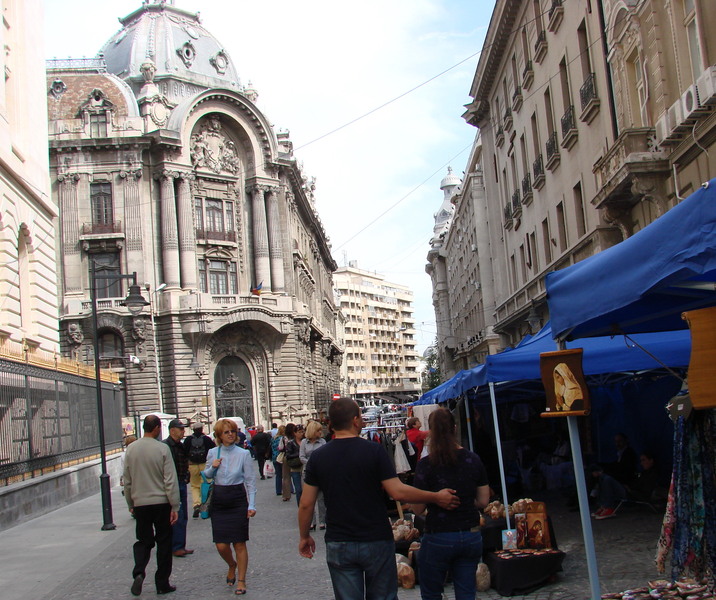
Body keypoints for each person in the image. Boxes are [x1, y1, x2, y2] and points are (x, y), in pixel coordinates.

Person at [298, 397, 460, 600]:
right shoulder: (373, 451)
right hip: (376, 538)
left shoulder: (318, 457)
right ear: (355, 420)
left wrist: (304, 536)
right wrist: (435, 496)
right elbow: (397, 492)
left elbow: (306, 504)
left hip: (339, 540)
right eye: (361, 417)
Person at [410, 407, 490, 600]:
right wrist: (465, 499)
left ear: (431, 431)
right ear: (454, 428)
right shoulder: (473, 459)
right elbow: (483, 500)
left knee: (432, 593)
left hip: (439, 534)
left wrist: (434, 498)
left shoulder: (425, 465)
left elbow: (417, 508)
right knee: (466, 593)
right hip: (470, 533)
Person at [123, 414, 180, 596]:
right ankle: (162, 583)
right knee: (164, 542)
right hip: (161, 502)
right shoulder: (162, 448)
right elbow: (170, 479)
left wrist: (130, 502)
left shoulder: (131, 449)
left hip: (141, 503)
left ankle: (139, 571)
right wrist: (175, 505)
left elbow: (127, 480)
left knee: (143, 540)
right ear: (156, 428)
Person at [203, 418, 257, 596]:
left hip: (237, 498)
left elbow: (250, 481)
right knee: (221, 545)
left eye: (233, 431)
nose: (231, 434)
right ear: (219, 435)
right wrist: (213, 467)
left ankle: (241, 580)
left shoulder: (243, 454)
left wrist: (252, 504)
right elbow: (206, 476)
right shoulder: (213, 452)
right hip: (219, 498)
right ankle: (231, 564)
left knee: (239, 542)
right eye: (226, 432)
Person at [164, 419, 194, 558]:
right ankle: (176, 546)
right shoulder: (166, 446)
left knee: (183, 515)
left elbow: (184, 461)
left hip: (181, 482)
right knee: (178, 515)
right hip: (173, 484)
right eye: (180, 429)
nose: (183, 431)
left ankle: (180, 544)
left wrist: (187, 474)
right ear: (172, 430)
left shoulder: (180, 445)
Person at [183, 422, 215, 518]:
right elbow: (212, 450)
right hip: (204, 464)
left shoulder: (188, 440)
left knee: (194, 486)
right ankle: (204, 504)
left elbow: (184, 452)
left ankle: (196, 504)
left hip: (192, 465)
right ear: (202, 429)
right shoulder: (207, 439)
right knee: (205, 484)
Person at [300, 420, 326, 530]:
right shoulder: (304, 442)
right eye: (318, 430)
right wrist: (311, 463)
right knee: (309, 499)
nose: (320, 432)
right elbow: (301, 457)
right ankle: (311, 521)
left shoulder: (323, 442)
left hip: (320, 472)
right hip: (307, 472)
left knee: (321, 499)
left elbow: (326, 456)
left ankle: (322, 521)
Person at [279, 423, 301, 502]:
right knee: (297, 474)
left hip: (286, 457)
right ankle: (298, 489)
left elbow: (280, 448)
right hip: (296, 458)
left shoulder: (284, 438)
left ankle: (286, 495)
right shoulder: (296, 438)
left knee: (286, 477)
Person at [271, 425, 286, 496]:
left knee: (278, 475)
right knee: (285, 475)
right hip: (281, 457)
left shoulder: (273, 438)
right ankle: (288, 489)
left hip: (274, 457)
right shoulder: (283, 438)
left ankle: (278, 490)